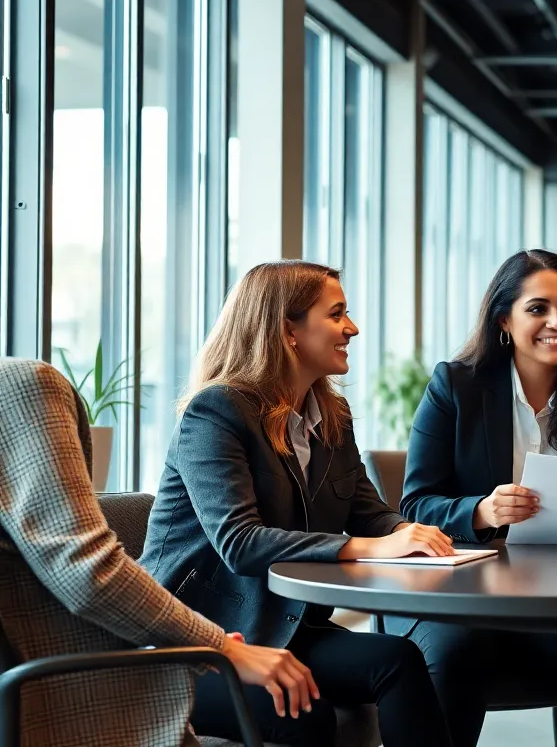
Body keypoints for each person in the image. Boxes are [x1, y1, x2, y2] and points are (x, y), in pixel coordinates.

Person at [140, 261, 452, 747]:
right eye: (336, 314)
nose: (352, 328)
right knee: (304, 714)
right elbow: (239, 543)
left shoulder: (331, 414)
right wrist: (366, 549)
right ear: (289, 330)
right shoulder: (217, 411)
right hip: (197, 643)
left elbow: (368, 512)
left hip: (285, 629)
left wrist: (409, 536)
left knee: (398, 660)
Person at [395, 249, 557, 747]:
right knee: (456, 651)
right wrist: (481, 511)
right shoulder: (456, 386)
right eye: (538, 309)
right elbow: (414, 505)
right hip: (461, 598)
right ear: (504, 321)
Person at [0, 357, 319, 747]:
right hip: (71, 696)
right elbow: (87, 571)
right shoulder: (21, 386)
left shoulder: (325, 419)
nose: (351, 329)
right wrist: (219, 647)